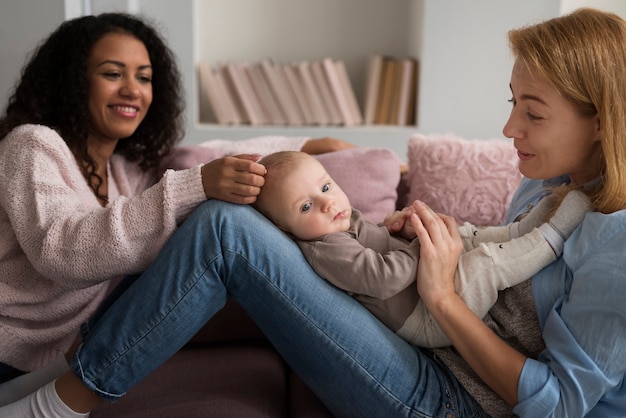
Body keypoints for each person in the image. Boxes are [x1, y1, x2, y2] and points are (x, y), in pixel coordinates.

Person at [2, 7, 625, 418]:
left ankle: (61, 403)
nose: (509, 126)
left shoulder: (615, 240)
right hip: (428, 350)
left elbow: (559, 405)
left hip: (459, 401)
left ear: (603, 119)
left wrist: (443, 301)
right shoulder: (551, 186)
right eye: (513, 102)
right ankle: (67, 388)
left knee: (227, 230)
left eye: (534, 113)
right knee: (234, 225)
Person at [0, 12, 353, 417]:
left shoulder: (125, 172)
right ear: (72, 79)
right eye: (113, 74)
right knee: (211, 223)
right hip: (9, 353)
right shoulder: (31, 145)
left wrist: (311, 142)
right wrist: (198, 184)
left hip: (63, 354)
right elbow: (62, 252)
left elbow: (211, 153)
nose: (133, 90)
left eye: (145, 77)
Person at [252, 150, 591, 348]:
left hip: (425, 291)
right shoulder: (325, 248)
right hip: (428, 320)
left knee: (465, 235)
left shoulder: (340, 222)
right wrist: (424, 245)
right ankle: (551, 238)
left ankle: (521, 230)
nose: (327, 203)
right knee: (485, 265)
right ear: (285, 228)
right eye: (306, 207)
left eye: (326, 187)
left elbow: (376, 243)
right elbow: (382, 277)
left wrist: (400, 229)